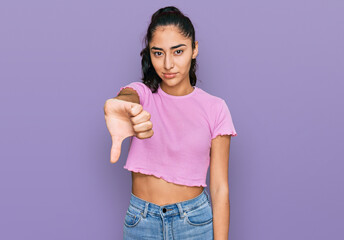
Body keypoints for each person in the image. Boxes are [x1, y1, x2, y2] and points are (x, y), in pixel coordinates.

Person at [104, 6, 237, 240]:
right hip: (141, 223)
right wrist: (121, 105)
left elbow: (219, 189)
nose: (168, 64)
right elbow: (128, 97)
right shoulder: (143, 96)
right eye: (158, 53)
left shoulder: (215, 108)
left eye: (178, 51)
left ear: (194, 49)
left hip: (194, 223)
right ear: (150, 55)